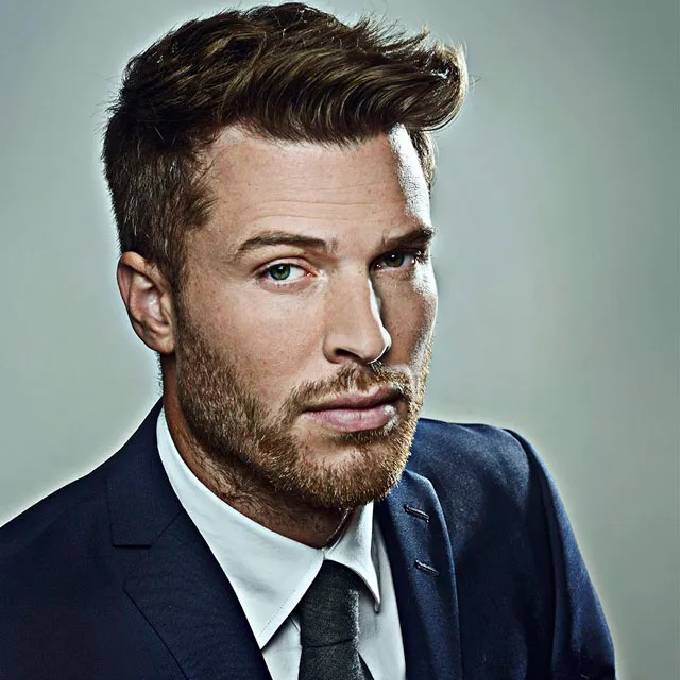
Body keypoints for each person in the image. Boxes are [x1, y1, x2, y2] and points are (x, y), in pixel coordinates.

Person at [0, 3, 615, 679]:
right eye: (285, 270)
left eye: (396, 258)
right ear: (154, 305)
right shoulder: (21, 618)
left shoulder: (505, 500)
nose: (369, 337)